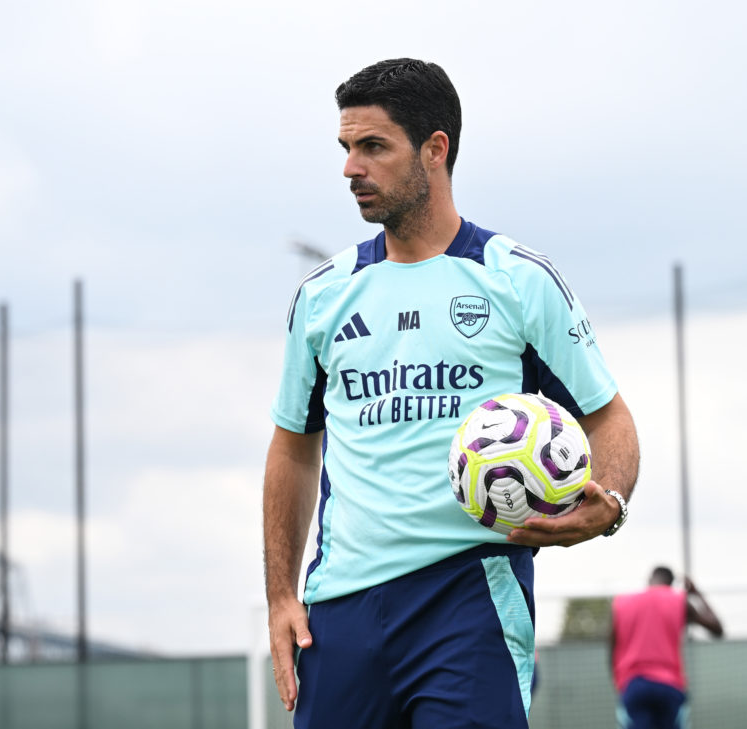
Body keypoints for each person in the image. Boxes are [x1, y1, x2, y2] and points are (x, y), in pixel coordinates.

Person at [263, 58, 639, 729]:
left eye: (373, 146)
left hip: (468, 597)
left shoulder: (517, 281)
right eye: (346, 148)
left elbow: (609, 417)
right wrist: (281, 597)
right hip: (340, 610)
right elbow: (292, 447)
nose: (352, 167)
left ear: (435, 150)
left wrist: (606, 502)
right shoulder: (323, 296)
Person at [609, 566, 723, 729]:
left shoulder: (622, 602)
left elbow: (612, 648)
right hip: (669, 685)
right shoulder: (678, 600)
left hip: (633, 685)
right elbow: (717, 629)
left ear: (649, 580)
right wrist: (696, 593)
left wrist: (620, 684)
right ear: (671, 584)